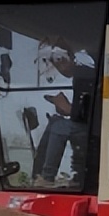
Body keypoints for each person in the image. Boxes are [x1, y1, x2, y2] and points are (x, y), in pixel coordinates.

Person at [32, 41, 95, 188]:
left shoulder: (84, 76)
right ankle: (41, 174)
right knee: (55, 122)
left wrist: (66, 108)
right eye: (57, 63)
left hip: (97, 127)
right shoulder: (83, 74)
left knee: (60, 126)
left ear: (71, 58)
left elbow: (89, 114)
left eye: (62, 62)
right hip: (90, 126)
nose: (60, 68)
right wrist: (66, 109)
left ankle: (47, 176)